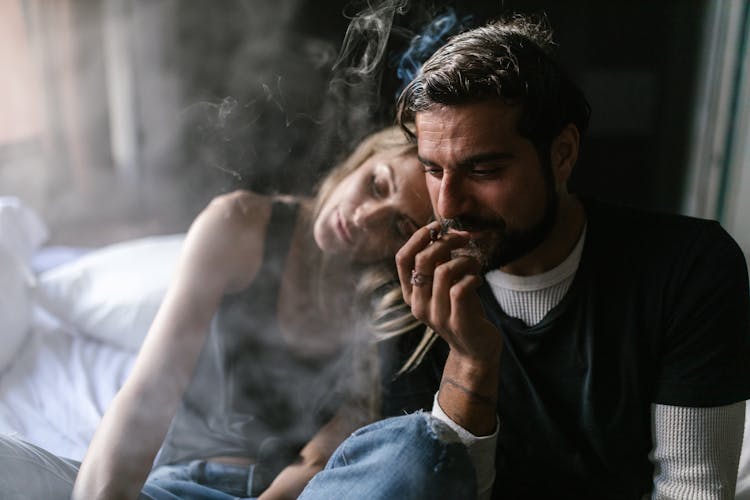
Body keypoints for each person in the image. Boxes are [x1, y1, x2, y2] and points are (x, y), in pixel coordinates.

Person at [298, 14, 750, 500]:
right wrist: (470, 362)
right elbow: (439, 490)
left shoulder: (686, 268)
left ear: (562, 154)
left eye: (484, 169)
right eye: (433, 170)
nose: (449, 205)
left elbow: (696, 490)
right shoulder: (415, 305)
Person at [0, 126, 433, 500]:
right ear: (365, 157)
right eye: (377, 186)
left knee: (418, 453)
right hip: (177, 486)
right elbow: (147, 395)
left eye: (399, 227)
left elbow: (318, 459)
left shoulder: (391, 311)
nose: (364, 217)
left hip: (292, 494)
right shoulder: (239, 226)